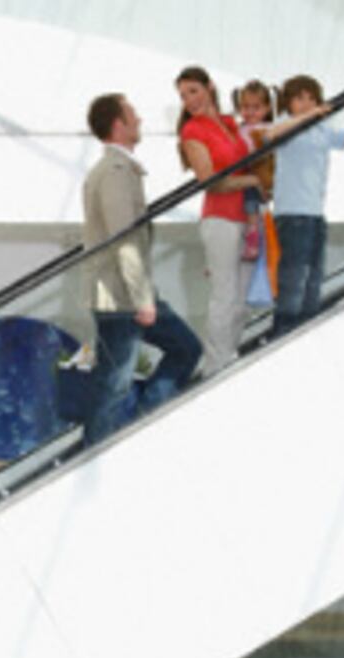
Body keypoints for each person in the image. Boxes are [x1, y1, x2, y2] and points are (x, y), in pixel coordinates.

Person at [81, 93, 202, 445]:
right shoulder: (116, 172)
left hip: (126, 295)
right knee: (114, 383)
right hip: (122, 298)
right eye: (133, 114)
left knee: (182, 350)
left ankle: (135, 426)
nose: (140, 121)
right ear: (118, 125)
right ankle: (103, 450)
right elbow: (124, 239)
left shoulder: (119, 169)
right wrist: (142, 299)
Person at [264, 75, 344, 339]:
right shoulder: (284, 124)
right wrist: (309, 116)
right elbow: (271, 135)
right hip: (292, 214)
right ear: (289, 101)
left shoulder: (321, 131)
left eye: (311, 98)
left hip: (315, 215)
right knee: (293, 281)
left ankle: (305, 333)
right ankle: (282, 334)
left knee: (313, 282)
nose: (307, 103)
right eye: (300, 98)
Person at [176, 66, 261, 372]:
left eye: (193, 91)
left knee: (242, 299)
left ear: (210, 87)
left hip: (247, 219)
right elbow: (209, 180)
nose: (188, 100)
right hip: (220, 220)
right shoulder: (193, 131)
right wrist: (250, 181)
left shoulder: (230, 123)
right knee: (224, 294)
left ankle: (229, 357)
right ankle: (215, 366)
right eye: (183, 95)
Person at [233, 80, 276, 260]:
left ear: (266, 108)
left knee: (252, 205)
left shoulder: (269, 129)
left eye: (256, 107)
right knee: (245, 206)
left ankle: (254, 240)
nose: (250, 112)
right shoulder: (239, 129)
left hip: (261, 173)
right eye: (245, 107)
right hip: (245, 175)